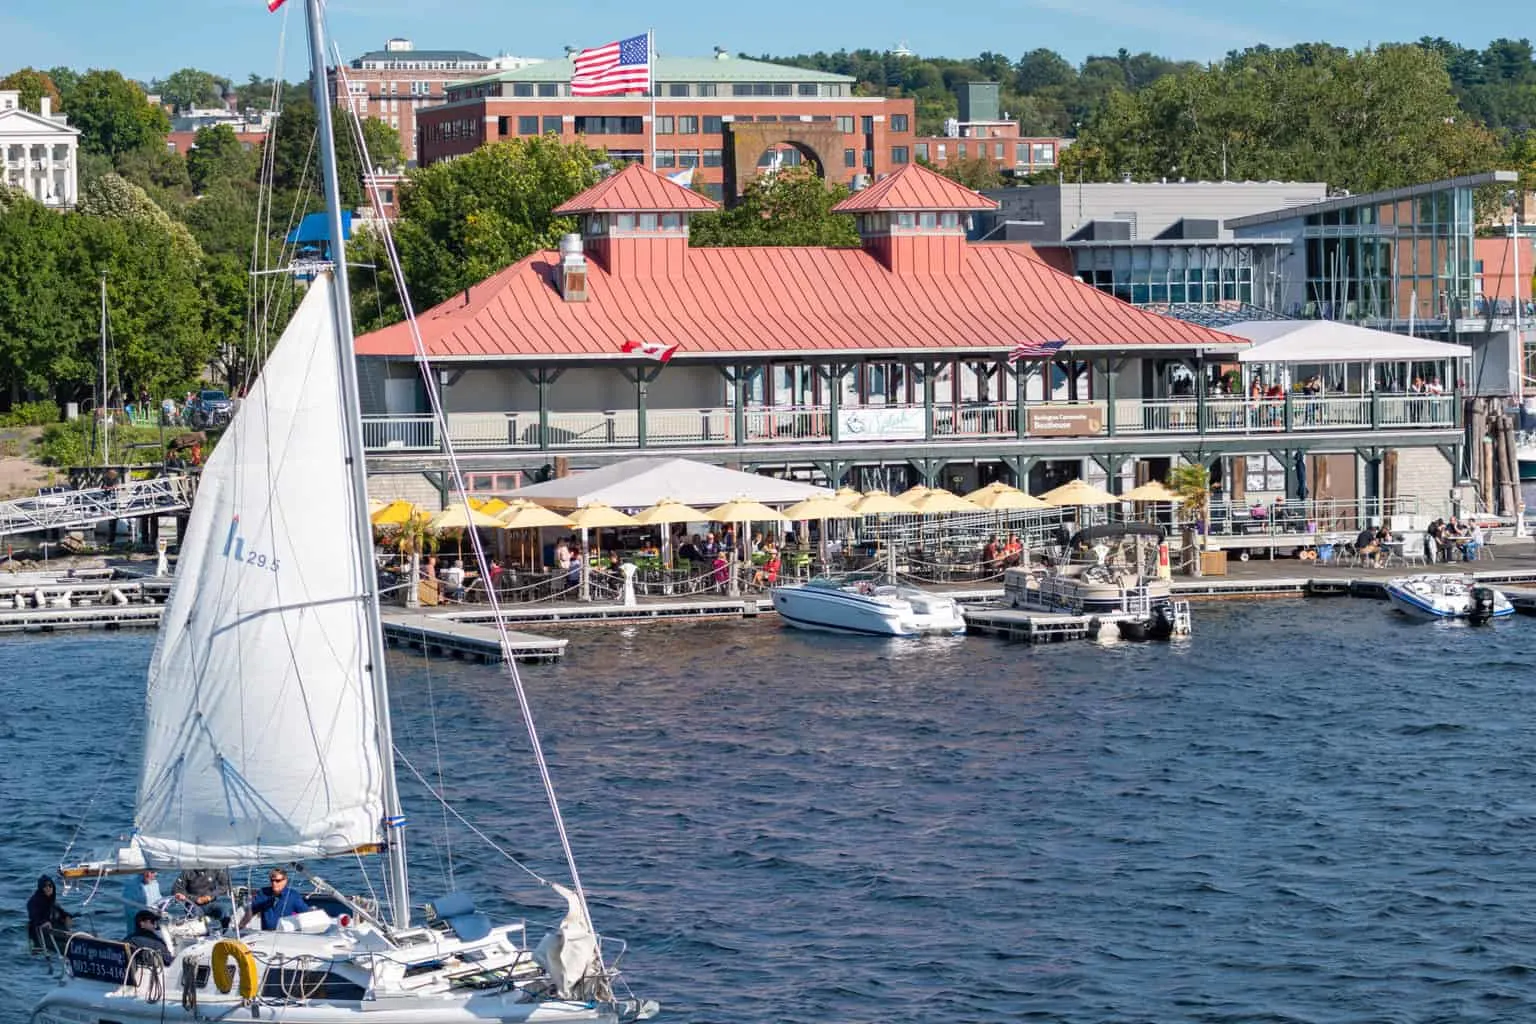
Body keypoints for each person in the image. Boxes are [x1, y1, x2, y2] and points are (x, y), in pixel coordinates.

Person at [239, 868, 311, 931]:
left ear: (285, 881)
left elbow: (306, 914)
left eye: (277, 881)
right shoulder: (263, 893)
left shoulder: (293, 896)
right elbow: (251, 911)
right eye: (272, 880)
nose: (274, 883)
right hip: (266, 934)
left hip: (286, 935)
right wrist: (241, 926)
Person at [27, 875, 73, 951]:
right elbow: (34, 916)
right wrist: (43, 923)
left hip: (58, 933)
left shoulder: (52, 902)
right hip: (45, 937)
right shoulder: (34, 902)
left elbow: (62, 913)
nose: (48, 888)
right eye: (45, 886)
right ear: (41, 888)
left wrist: (68, 917)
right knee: (68, 947)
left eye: (50, 885)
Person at [121, 868, 162, 936]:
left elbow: (159, 900)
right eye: (151, 872)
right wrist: (146, 918)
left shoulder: (155, 884)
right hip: (138, 929)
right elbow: (129, 908)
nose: (154, 874)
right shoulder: (131, 885)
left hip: (154, 924)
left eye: (154, 872)